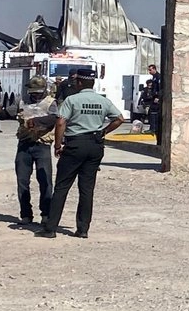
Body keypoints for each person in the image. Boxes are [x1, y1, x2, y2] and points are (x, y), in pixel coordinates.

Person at [38, 69, 125, 239]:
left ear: (79, 83)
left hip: (75, 145)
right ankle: (83, 229)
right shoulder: (102, 101)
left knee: (62, 187)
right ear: (92, 83)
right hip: (95, 145)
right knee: (86, 189)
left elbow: (61, 121)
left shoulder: (72, 100)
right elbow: (119, 119)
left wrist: (57, 144)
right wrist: (104, 131)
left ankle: (51, 228)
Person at [15, 76, 58, 226]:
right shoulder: (23, 101)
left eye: (38, 92)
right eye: (32, 92)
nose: (35, 95)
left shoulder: (50, 103)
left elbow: (55, 119)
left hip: (42, 145)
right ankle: (25, 214)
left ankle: (46, 214)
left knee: (45, 181)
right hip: (24, 145)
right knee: (22, 181)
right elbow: (11, 113)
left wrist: (37, 122)